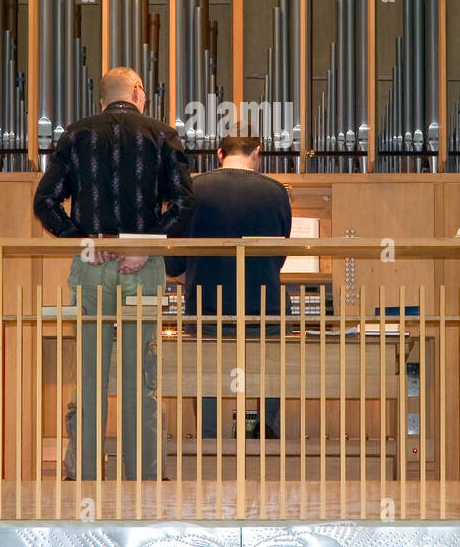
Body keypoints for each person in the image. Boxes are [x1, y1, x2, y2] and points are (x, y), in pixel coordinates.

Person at [33, 67, 194, 481]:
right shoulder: (162, 135)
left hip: (91, 268)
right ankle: (142, 478)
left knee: (90, 378)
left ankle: (85, 475)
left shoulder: (76, 134)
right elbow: (183, 203)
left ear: (101, 99)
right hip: (143, 269)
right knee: (142, 379)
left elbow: (45, 201)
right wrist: (146, 244)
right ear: (139, 92)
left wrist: (83, 239)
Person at [165, 135, 291, 437]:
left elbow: (173, 261)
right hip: (265, 308)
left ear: (219, 154)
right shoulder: (276, 192)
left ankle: (209, 437)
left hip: (208, 308)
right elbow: (281, 253)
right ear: (257, 153)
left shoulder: (193, 189)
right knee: (273, 360)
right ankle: (267, 427)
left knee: (207, 368)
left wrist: (193, 274)